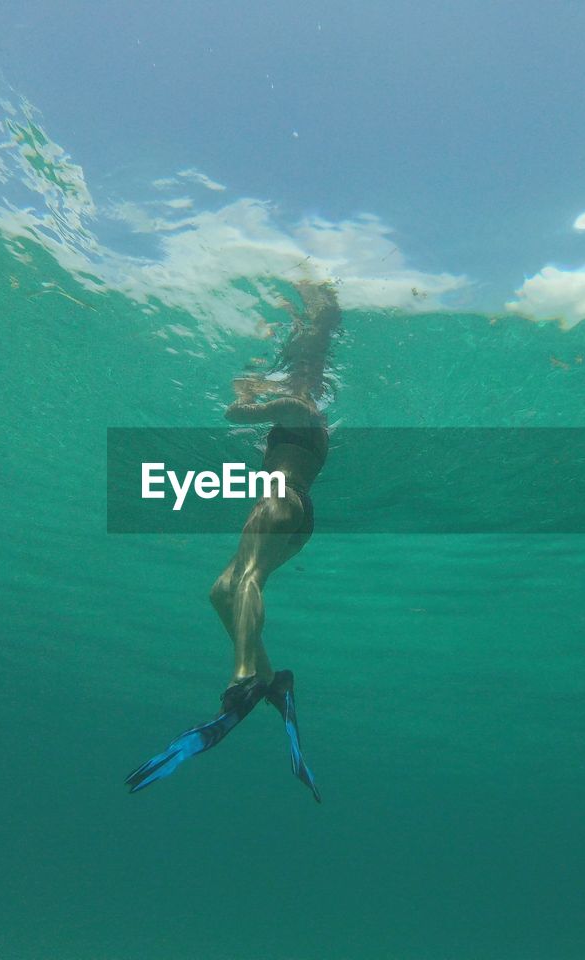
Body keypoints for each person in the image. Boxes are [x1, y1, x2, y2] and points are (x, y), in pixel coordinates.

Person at [125, 282, 341, 802]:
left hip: (281, 500)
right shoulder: (308, 418)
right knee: (222, 591)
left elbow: (234, 416)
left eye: (298, 373)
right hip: (293, 509)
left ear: (307, 380)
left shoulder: (299, 408)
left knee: (248, 577)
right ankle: (272, 679)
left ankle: (243, 675)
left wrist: (247, 392)